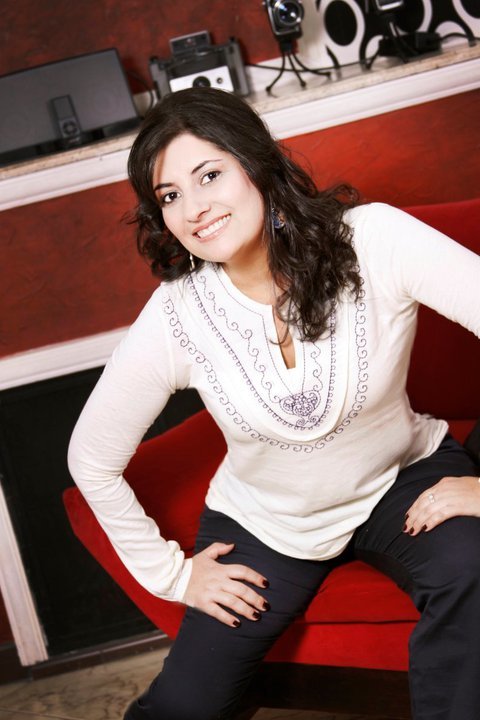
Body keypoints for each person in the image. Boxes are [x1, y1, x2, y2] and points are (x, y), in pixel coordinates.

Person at [67, 87, 480, 720]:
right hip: (265, 525)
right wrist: (175, 576)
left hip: (402, 480)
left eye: (209, 175)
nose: (194, 209)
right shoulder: (177, 315)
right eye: (169, 196)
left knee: (472, 567)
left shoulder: (374, 239)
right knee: (181, 709)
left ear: (256, 163)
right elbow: (91, 459)